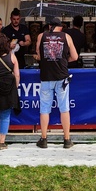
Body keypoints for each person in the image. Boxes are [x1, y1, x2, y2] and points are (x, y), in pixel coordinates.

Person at [33, 17, 78, 149]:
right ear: (61, 27)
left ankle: (44, 139)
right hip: (62, 77)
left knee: (44, 109)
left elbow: (39, 56)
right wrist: (63, 60)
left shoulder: (41, 36)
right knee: (64, 108)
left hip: (46, 76)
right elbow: (75, 57)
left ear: (49, 26)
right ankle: (67, 140)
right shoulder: (66, 37)